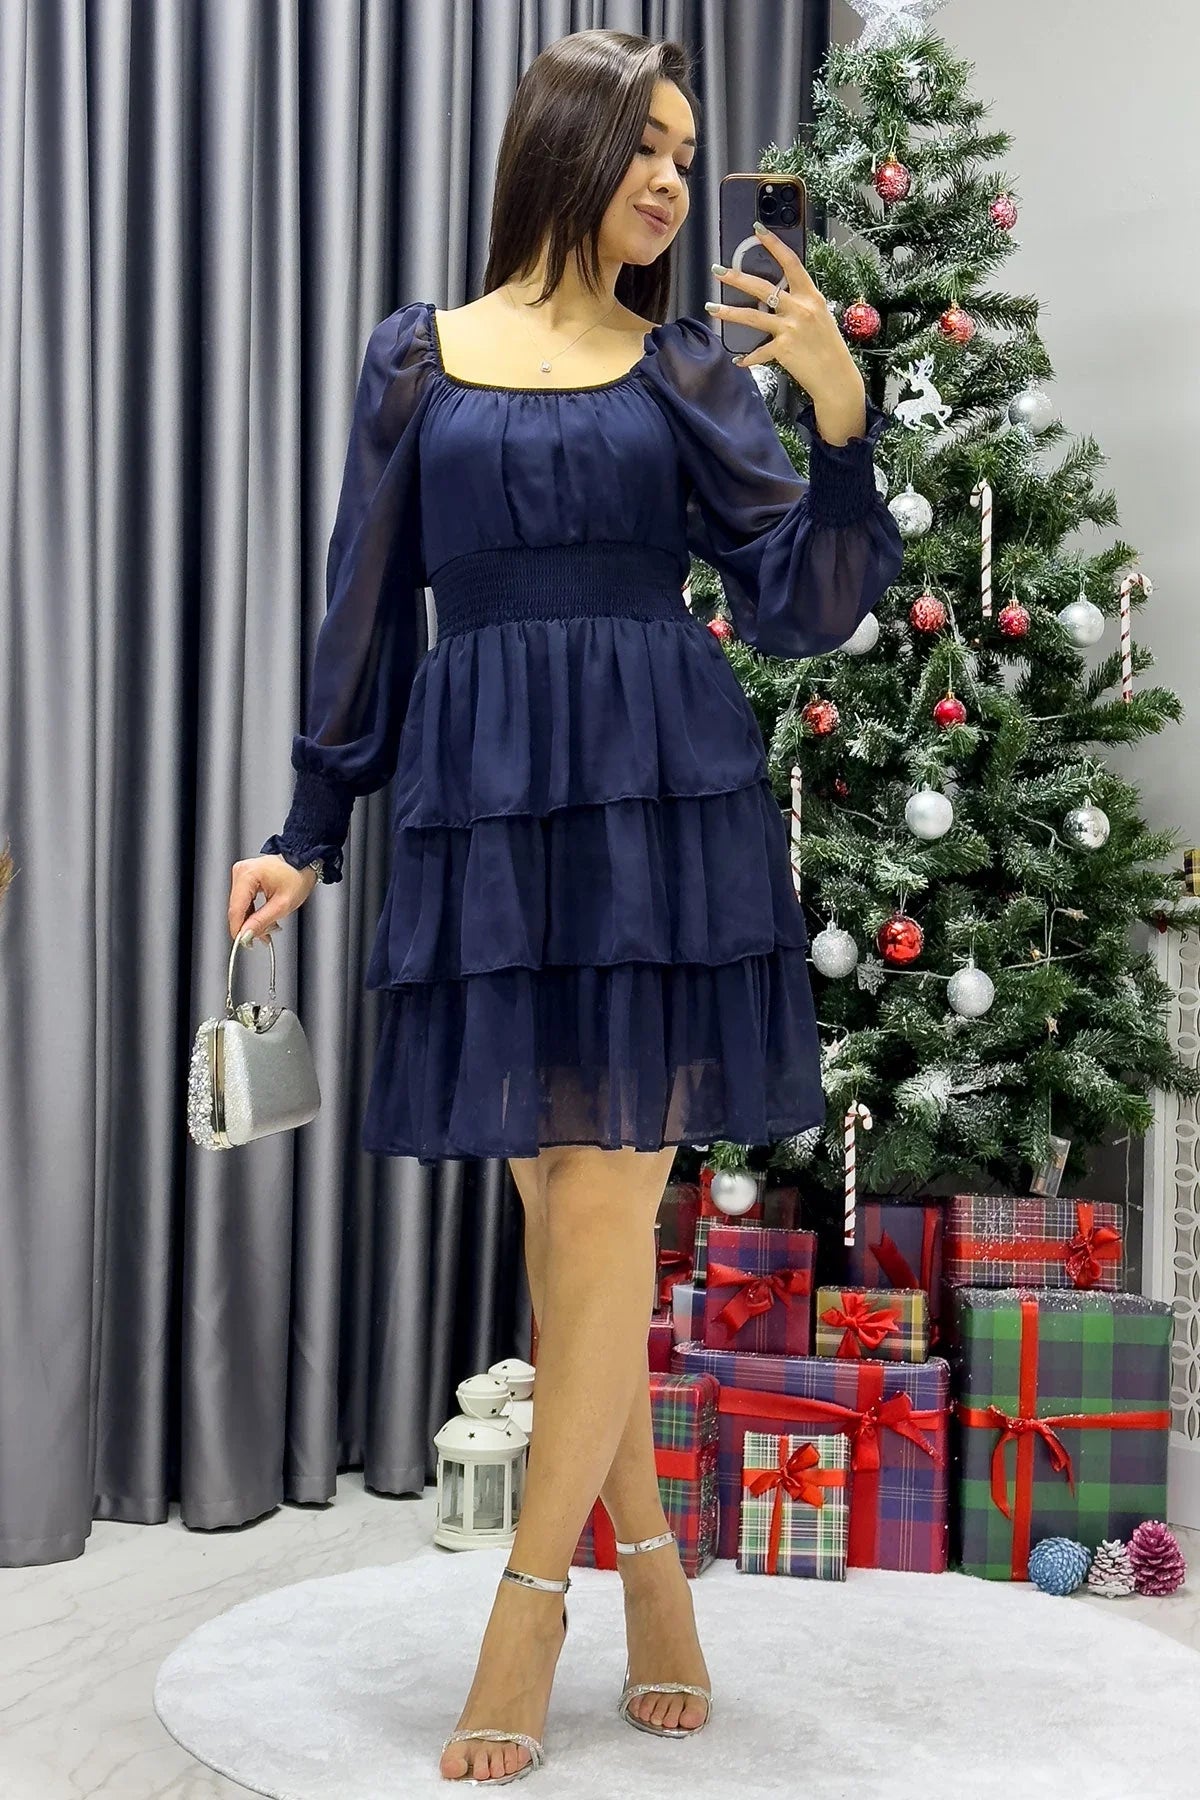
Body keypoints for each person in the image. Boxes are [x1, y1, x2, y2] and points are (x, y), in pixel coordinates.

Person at [227, 26, 904, 1788]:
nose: (674, 180)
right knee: (566, 1223)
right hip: (483, 813)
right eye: (646, 146)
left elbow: (801, 604)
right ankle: (655, 1568)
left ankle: (530, 1606)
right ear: (566, 146)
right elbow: (364, 605)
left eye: (687, 151)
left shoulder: (685, 370)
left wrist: (838, 411)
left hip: (656, 808)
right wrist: (309, 827)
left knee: (604, 1199)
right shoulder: (418, 358)